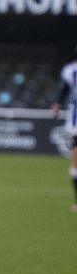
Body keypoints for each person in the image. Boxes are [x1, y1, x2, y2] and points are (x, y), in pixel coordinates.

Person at [51, 51, 77, 211]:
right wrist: (57, 103)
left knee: (74, 164)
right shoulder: (70, 70)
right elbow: (64, 89)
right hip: (75, 122)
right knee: (75, 163)